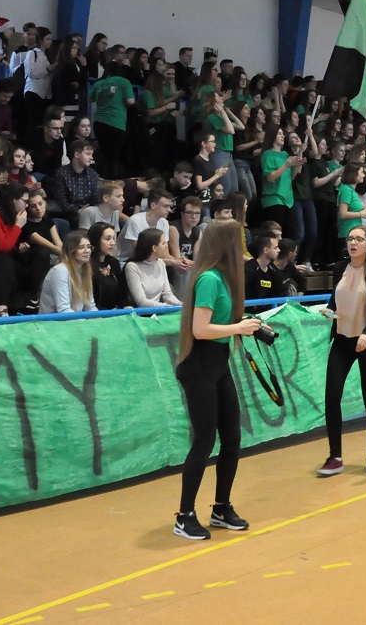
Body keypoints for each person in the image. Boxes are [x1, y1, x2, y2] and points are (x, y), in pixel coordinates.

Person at [172, 218, 264, 540]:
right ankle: (184, 515)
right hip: (199, 368)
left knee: (232, 438)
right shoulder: (209, 279)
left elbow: (222, 322)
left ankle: (221, 507)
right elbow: (200, 330)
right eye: (238, 241)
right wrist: (238, 328)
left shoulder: (226, 278)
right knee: (204, 441)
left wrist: (248, 325)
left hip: (218, 366)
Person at [316, 224, 366, 476]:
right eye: (350, 238)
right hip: (342, 340)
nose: (353, 242)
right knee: (331, 397)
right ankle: (335, 457)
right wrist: (329, 311)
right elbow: (335, 299)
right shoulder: (340, 268)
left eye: (359, 239)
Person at [38, 230, 97, 315]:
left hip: (74, 320)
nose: (87, 251)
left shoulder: (85, 272)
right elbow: (63, 310)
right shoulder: (60, 271)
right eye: (81, 247)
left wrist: (100, 321)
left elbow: (90, 307)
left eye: (89, 247)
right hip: (53, 322)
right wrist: (84, 321)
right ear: (71, 251)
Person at [124, 228, 181, 307]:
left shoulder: (161, 263)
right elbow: (141, 302)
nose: (166, 246)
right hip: (142, 312)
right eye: (163, 243)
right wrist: (166, 306)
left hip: (160, 309)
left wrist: (180, 304)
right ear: (154, 248)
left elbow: (167, 295)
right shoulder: (132, 267)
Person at [88, 222, 129, 310]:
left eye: (113, 238)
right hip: (96, 313)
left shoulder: (114, 262)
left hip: (115, 312)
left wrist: (127, 306)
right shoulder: (86, 264)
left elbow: (122, 292)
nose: (113, 243)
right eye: (108, 239)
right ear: (96, 240)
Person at [244, 231, 285, 301]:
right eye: (275, 248)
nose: (279, 250)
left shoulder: (273, 270)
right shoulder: (248, 270)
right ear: (266, 250)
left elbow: (280, 292)